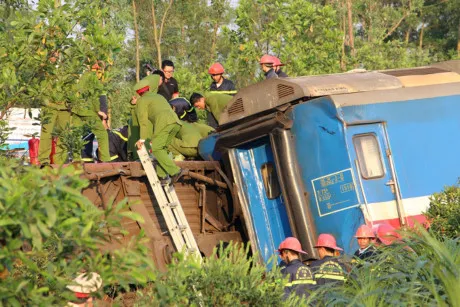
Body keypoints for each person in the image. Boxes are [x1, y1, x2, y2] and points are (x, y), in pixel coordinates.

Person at [133, 76, 187, 183]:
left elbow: (143, 121)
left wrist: (142, 139)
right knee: (163, 148)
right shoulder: (158, 96)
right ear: (148, 88)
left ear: (138, 93)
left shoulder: (142, 101)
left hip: (164, 123)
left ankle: (175, 172)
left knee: (156, 149)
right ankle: (162, 176)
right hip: (175, 122)